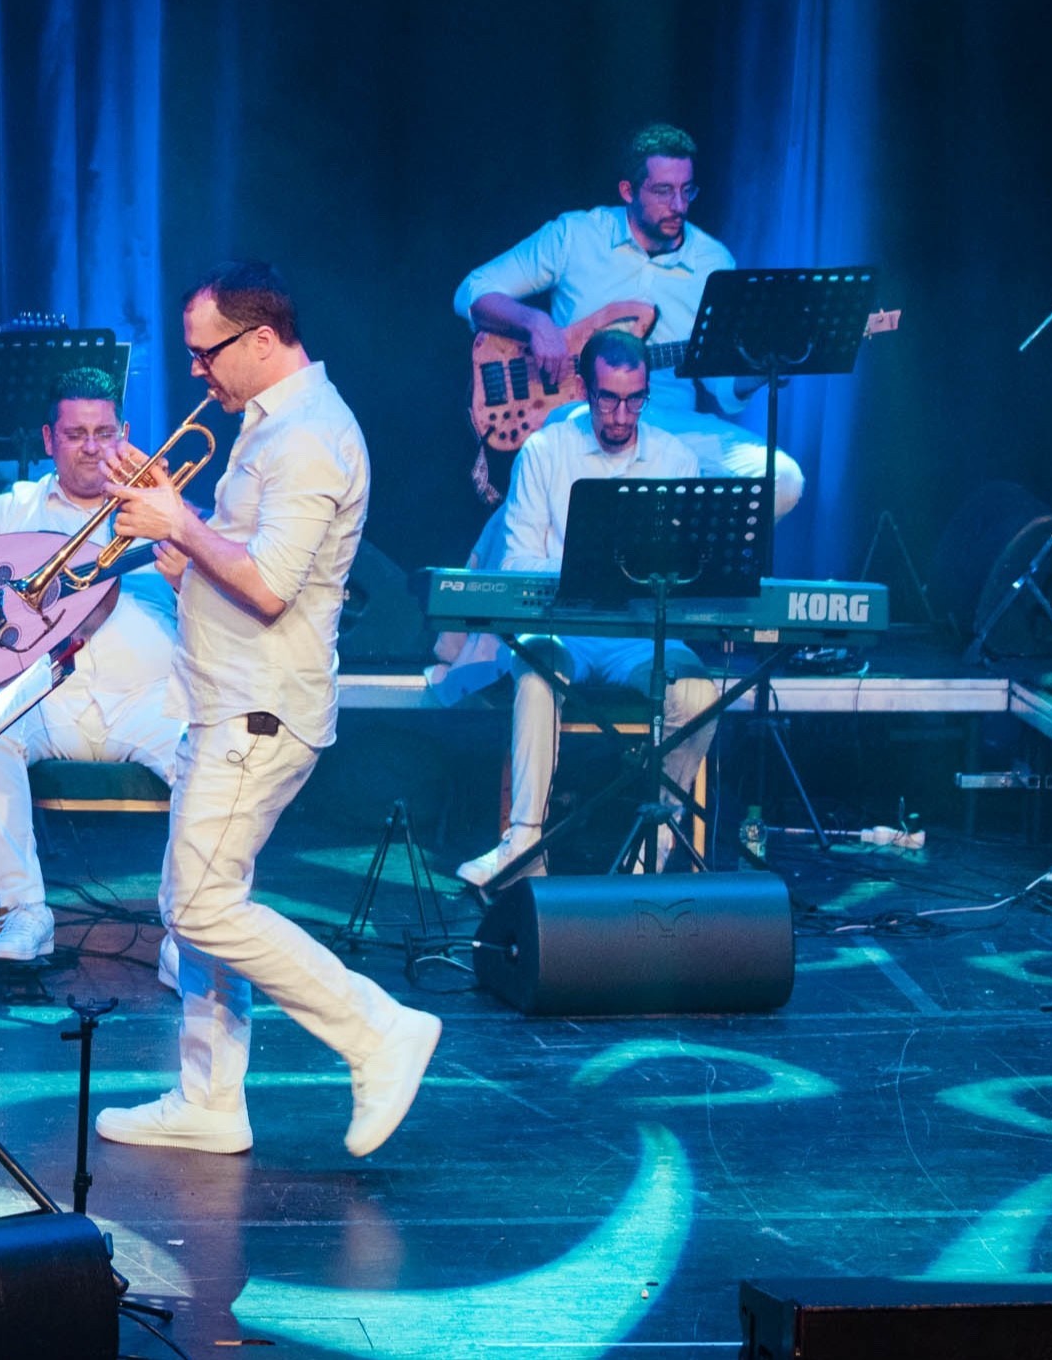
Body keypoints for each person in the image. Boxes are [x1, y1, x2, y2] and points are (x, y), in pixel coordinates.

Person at [93, 261, 442, 1158]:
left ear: (259, 339)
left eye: (205, 353)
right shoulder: (268, 424)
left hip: (260, 708)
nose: (195, 371)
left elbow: (272, 587)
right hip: (223, 696)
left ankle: (378, 1031)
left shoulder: (310, 438)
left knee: (203, 906)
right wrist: (177, 548)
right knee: (195, 901)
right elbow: (233, 570)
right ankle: (210, 1100)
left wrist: (180, 522)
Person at [0, 364, 187, 962]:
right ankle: (24, 912)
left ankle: (188, 935)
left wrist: (187, 579)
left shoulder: (165, 514)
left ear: (124, 434)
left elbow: (226, 613)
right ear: (49, 439)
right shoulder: (12, 511)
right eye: (76, 435)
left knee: (211, 761)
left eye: (105, 433)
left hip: (151, 701)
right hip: (50, 702)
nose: (92, 448)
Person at [452, 330, 725, 889]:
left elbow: (690, 570)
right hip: (563, 628)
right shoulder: (545, 451)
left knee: (700, 693)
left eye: (634, 400)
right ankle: (523, 845)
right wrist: (585, 570)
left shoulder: (674, 458)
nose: (621, 416)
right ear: (583, 388)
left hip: (639, 636)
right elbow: (515, 562)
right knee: (537, 672)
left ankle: (656, 845)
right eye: (609, 399)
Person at [452, 122, 802, 521]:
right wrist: (535, 323)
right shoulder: (576, 236)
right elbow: (473, 291)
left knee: (782, 478)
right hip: (583, 412)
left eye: (687, 190)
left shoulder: (714, 263)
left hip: (669, 422)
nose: (679, 206)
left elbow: (722, 387)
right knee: (579, 446)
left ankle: (687, 552)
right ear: (627, 191)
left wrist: (760, 367)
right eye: (663, 191)